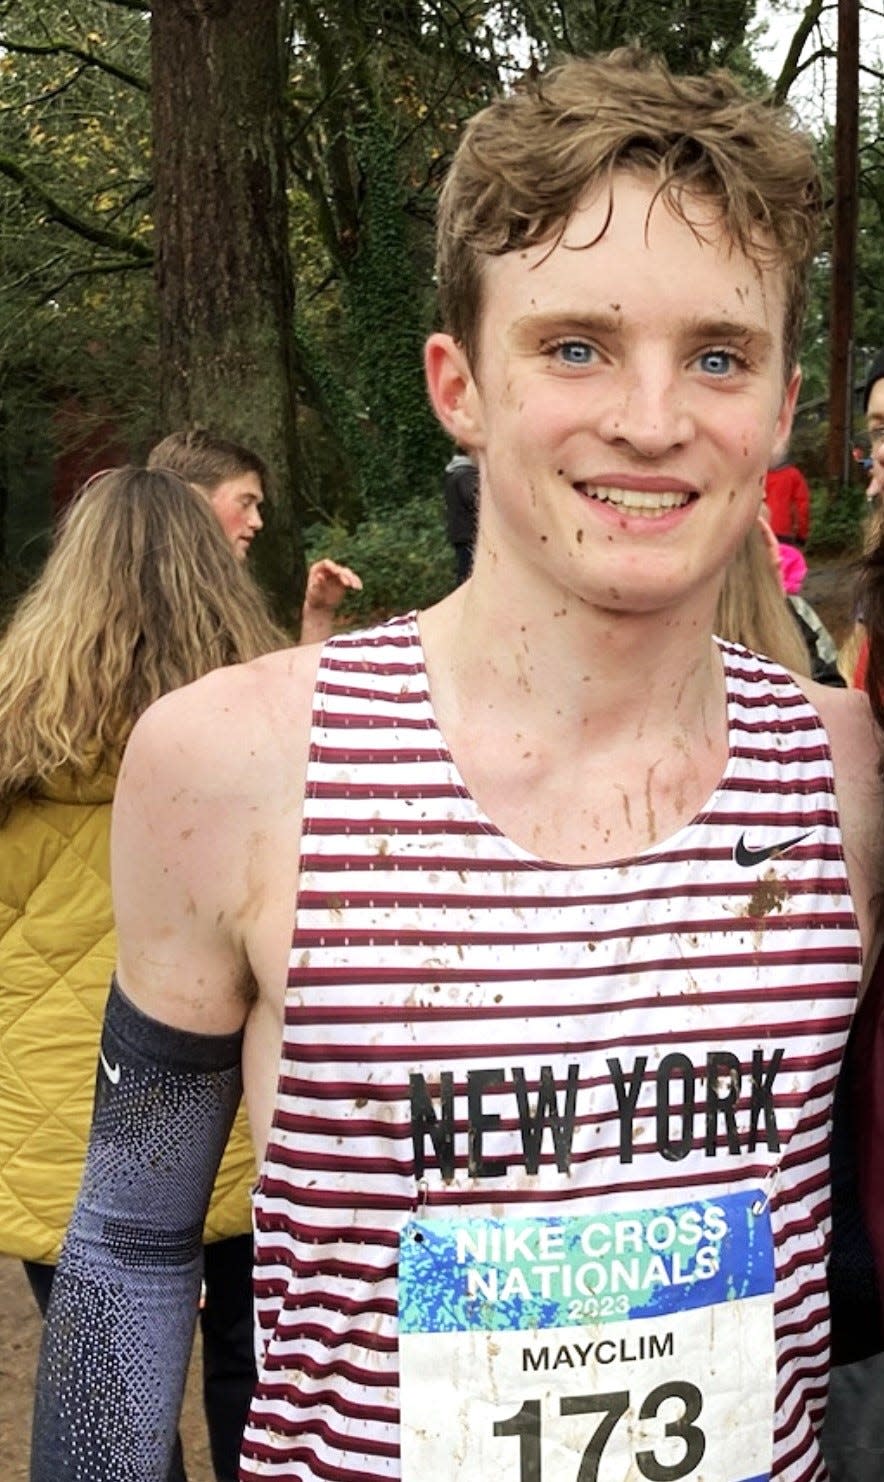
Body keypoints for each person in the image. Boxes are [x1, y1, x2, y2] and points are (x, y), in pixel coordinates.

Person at [32, 48, 881, 1482]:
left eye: (719, 355)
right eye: (575, 345)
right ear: (457, 383)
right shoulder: (234, 764)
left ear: (784, 400)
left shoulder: (848, 773)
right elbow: (123, 1244)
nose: (654, 418)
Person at [0, 468, 288, 1481]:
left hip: (67, 1146)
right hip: (244, 1130)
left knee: (115, 1418)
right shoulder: (275, 735)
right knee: (261, 1394)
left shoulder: (11, 739)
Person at [146, 427, 363, 640]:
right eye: (245, 502)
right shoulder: (145, 603)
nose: (257, 522)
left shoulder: (227, 596)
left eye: (257, 507)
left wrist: (318, 614)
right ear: (194, 500)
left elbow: (287, 677)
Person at [442, 447, 479, 582]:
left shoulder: (453, 472)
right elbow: (473, 499)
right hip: (468, 532)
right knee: (468, 575)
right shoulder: (466, 474)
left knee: (466, 571)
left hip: (460, 531)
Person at [764, 450, 811, 546]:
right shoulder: (793, 475)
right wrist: (802, 534)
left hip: (760, 530)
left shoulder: (759, 475)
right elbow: (802, 507)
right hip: (784, 532)